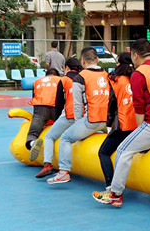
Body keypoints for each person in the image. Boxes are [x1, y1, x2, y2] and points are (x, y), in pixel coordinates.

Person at [93, 39, 150, 208]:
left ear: (135, 55)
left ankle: (115, 194)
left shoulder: (139, 74)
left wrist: (139, 132)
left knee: (123, 150)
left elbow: (139, 107)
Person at [47, 48, 109, 185]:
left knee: (65, 138)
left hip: (92, 120)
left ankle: (63, 171)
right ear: (97, 59)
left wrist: (78, 125)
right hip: (107, 121)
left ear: (83, 61)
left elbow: (77, 105)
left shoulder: (80, 78)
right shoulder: (107, 75)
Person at [35, 57, 82, 178]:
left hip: (70, 115)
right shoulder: (83, 78)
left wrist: (56, 120)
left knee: (49, 136)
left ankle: (47, 164)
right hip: (85, 116)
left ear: (67, 68)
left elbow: (59, 103)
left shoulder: (64, 80)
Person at [97, 53, 137, 191]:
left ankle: (110, 185)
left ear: (119, 64)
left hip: (123, 124)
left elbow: (112, 103)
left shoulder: (115, 79)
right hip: (139, 124)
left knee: (103, 152)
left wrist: (109, 124)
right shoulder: (137, 77)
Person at [25, 69, 64, 151]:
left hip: (40, 109)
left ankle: (32, 143)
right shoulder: (61, 80)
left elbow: (34, 97)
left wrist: (36, 116)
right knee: (66, 128)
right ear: (57, 75)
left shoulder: (37, 81)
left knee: (33, 133)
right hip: (56, 108)